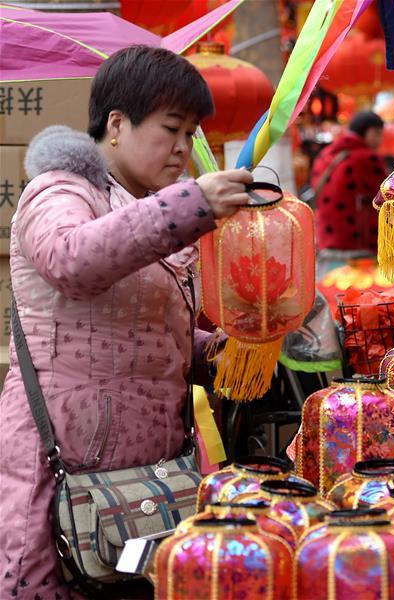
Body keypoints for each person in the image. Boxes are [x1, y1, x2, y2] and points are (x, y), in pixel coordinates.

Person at [0, 46, 253, 598]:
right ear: (117, 124)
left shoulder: (146, 203)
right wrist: (192, 205)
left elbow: (147, 327)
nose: (184, 148)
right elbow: (73, 259)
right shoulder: (60, 191)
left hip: (144, 480)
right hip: (65, 473)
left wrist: (218, 350)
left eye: (191, 133)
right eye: (171, 129)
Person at [309, 110, 387, 275]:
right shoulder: (367, 158)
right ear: (366, 131)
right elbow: (387, 195)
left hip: (327, 242)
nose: (379, 140)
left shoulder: (325, 154)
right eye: (377, 134)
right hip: (358, 246)